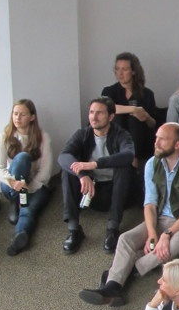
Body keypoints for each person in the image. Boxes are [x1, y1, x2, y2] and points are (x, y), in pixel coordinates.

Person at [79, 122, 179, 307]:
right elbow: (150, 204)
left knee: (175, 243)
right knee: (125, 239)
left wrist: (166, 235)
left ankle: (122, 272)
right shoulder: (151, 164)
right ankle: (113, 287)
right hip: (160, 218)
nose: (156, 143)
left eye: (162, 139)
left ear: (177, 144)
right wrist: (152, 233)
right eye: (156, 138)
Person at [58, 96, 135, 255]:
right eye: (91, 112)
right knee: (68, 170)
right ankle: (74, 229)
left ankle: (113, 228)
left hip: (116, 192)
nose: (94, 117)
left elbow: (128, 155)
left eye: (99, 113)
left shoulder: (121, 134)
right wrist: (82, 174)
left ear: (111, 117)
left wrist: (95, 164)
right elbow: (63, 156)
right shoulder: (83, 134)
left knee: (124, 168)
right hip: (90, 191)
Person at [0, 99, 53, 256]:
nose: (17, 118)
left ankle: (20, 235)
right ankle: (16, 201)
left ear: (32, 117)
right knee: (22, 158)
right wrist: (14, 183)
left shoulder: (43, 137)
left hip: (35, 185)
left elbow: (45, 171)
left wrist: (27, 189)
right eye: (15, 114)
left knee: (29, 210)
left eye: (22, 114)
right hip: (11, 185)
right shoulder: (4, 136)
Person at [101, 51, 159, 166]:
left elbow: (153, 124)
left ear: (133, 71)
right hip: (116, 137)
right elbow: (107, 108)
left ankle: (133, 157)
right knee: (118, 117)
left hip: (141, 138)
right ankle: (126, 156)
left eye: (124, 69)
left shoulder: (147, 94)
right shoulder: (109, 91)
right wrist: (134, 109)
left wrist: (146, 116)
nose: (120, 73)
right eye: (117, 69)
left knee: (134, 120)